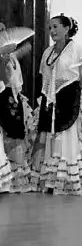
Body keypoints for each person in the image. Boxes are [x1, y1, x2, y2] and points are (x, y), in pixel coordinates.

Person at [30, 14, 82, 196]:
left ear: (67, 28)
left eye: (56, 27)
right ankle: (53, 180)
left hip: (70, 98)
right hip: (51, 100)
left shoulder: (77, 47)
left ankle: (75, 181)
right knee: (52, 137)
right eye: (50, 28)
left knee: (69, 138)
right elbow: (44, 75)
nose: (52, 31)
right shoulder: (48, 52)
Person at [0, 23, 35, 193]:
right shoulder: (3, 58)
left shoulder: (10, 55)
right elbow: (5, 79)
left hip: (15, 97)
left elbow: (24, 49)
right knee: (8, 133)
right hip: (4, 97)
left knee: (17, 133)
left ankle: (17, 175)